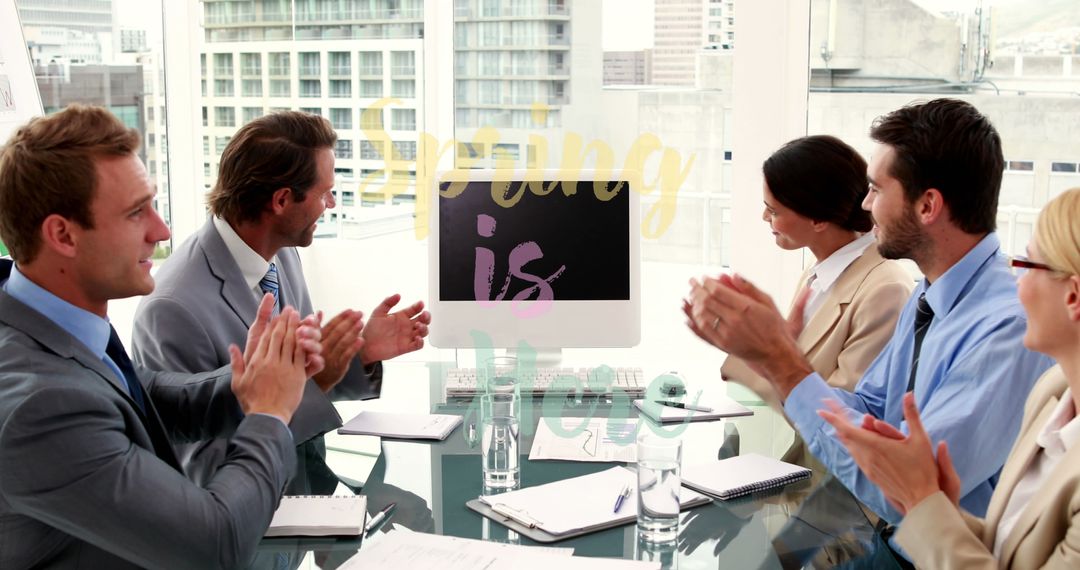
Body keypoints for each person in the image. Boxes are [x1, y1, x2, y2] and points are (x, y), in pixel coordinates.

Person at [684, 98, 1055, 529]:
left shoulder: (1006, 328)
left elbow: (908, 494)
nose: (863, 206)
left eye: (876, 190)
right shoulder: (929, 297)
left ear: (927, 206)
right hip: (881, 536)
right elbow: (866, 411)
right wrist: (773, 352)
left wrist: (779, 361)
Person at [0, 105, 321, 568]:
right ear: (62, 235)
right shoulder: (41, 409)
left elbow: (143, 397)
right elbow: (214, 545)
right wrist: (268, 414)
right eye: (136, 213)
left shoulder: (47, 319)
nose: (161, 230)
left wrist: (247, 379)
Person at [132, 111, 431, 490]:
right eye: (324, 193)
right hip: (259, 522)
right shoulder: (172, 309)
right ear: (282, 200)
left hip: (307, 492)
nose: (332, 204)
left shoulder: (282, 253)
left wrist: (361, 353)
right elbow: (203, 471)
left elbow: (301, 376)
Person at [819, 187, 1080, 569]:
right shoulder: (1053, 394)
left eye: (1026, 265)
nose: (1016, 284)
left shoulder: (1002, 327)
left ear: (1073, 296)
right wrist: (931, 505)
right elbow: (1004, 547)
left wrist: (923, 502)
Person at [721, 134, 912, 465]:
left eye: (773, 210)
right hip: (796, 467)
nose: (764, 218)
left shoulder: (885, 290)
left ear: (818, 219)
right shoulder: (822, 269)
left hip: (833, 491)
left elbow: (841, 421)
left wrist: (760, 355)